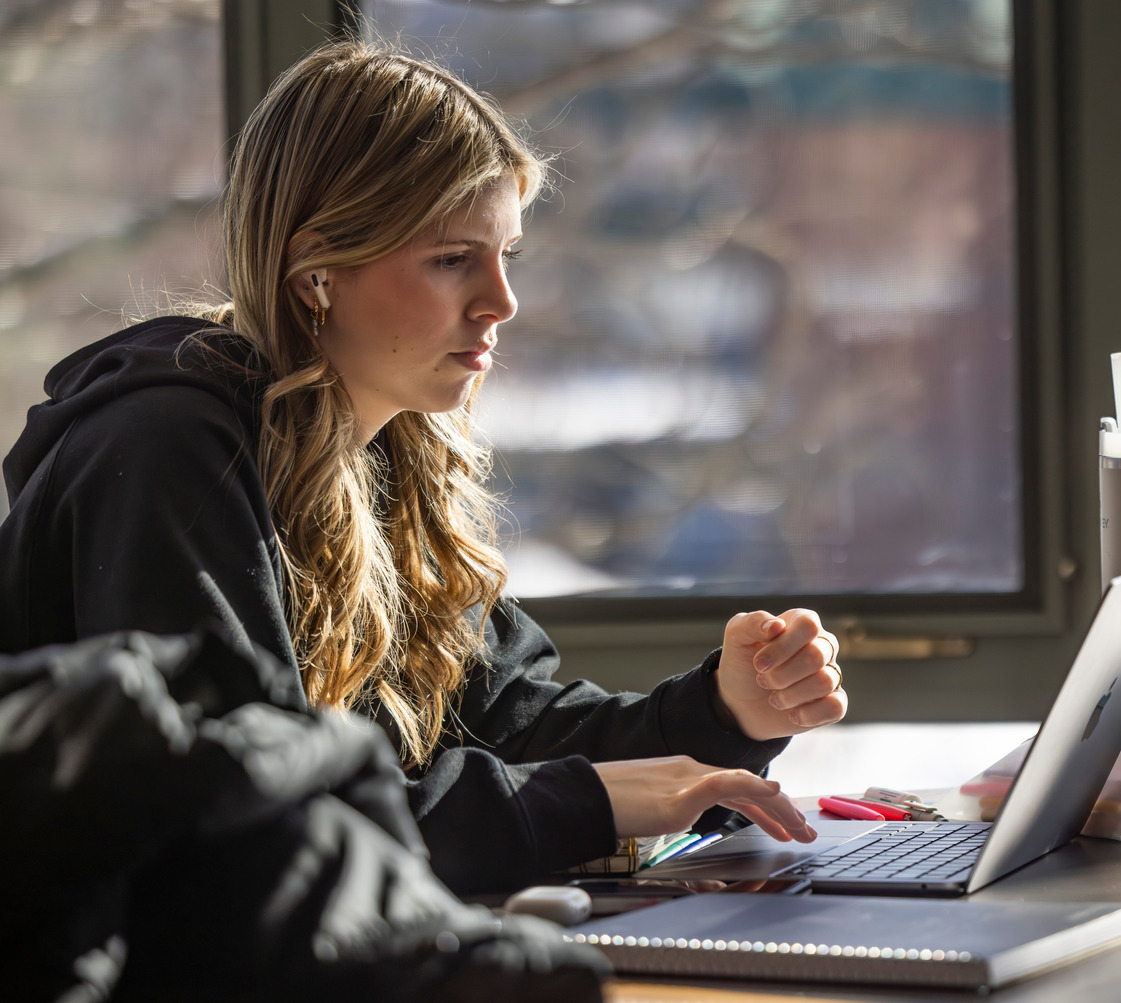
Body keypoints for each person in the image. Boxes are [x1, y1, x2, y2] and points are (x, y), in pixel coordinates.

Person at [0, 37, 847, 898]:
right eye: (451, 259)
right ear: (315, 272)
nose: (502, 303)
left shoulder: (394, 452)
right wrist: (577, 802)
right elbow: (250, 826)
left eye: (504, 255)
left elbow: (512, 730)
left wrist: (726, 713)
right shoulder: (164, 450)